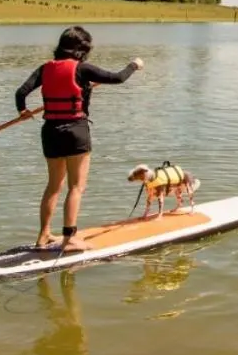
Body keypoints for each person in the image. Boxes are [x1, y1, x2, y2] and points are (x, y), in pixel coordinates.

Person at [15, 26, 143, 251]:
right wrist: (135, 65)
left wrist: (22, 111)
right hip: (76, 132)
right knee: (76, 187)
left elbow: (21, 92)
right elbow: (118, 78)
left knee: (53, 186)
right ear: (82, 49)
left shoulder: (45, 68)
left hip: (51, 132)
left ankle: (44, 234)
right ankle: (69, 239)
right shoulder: (82, 69)